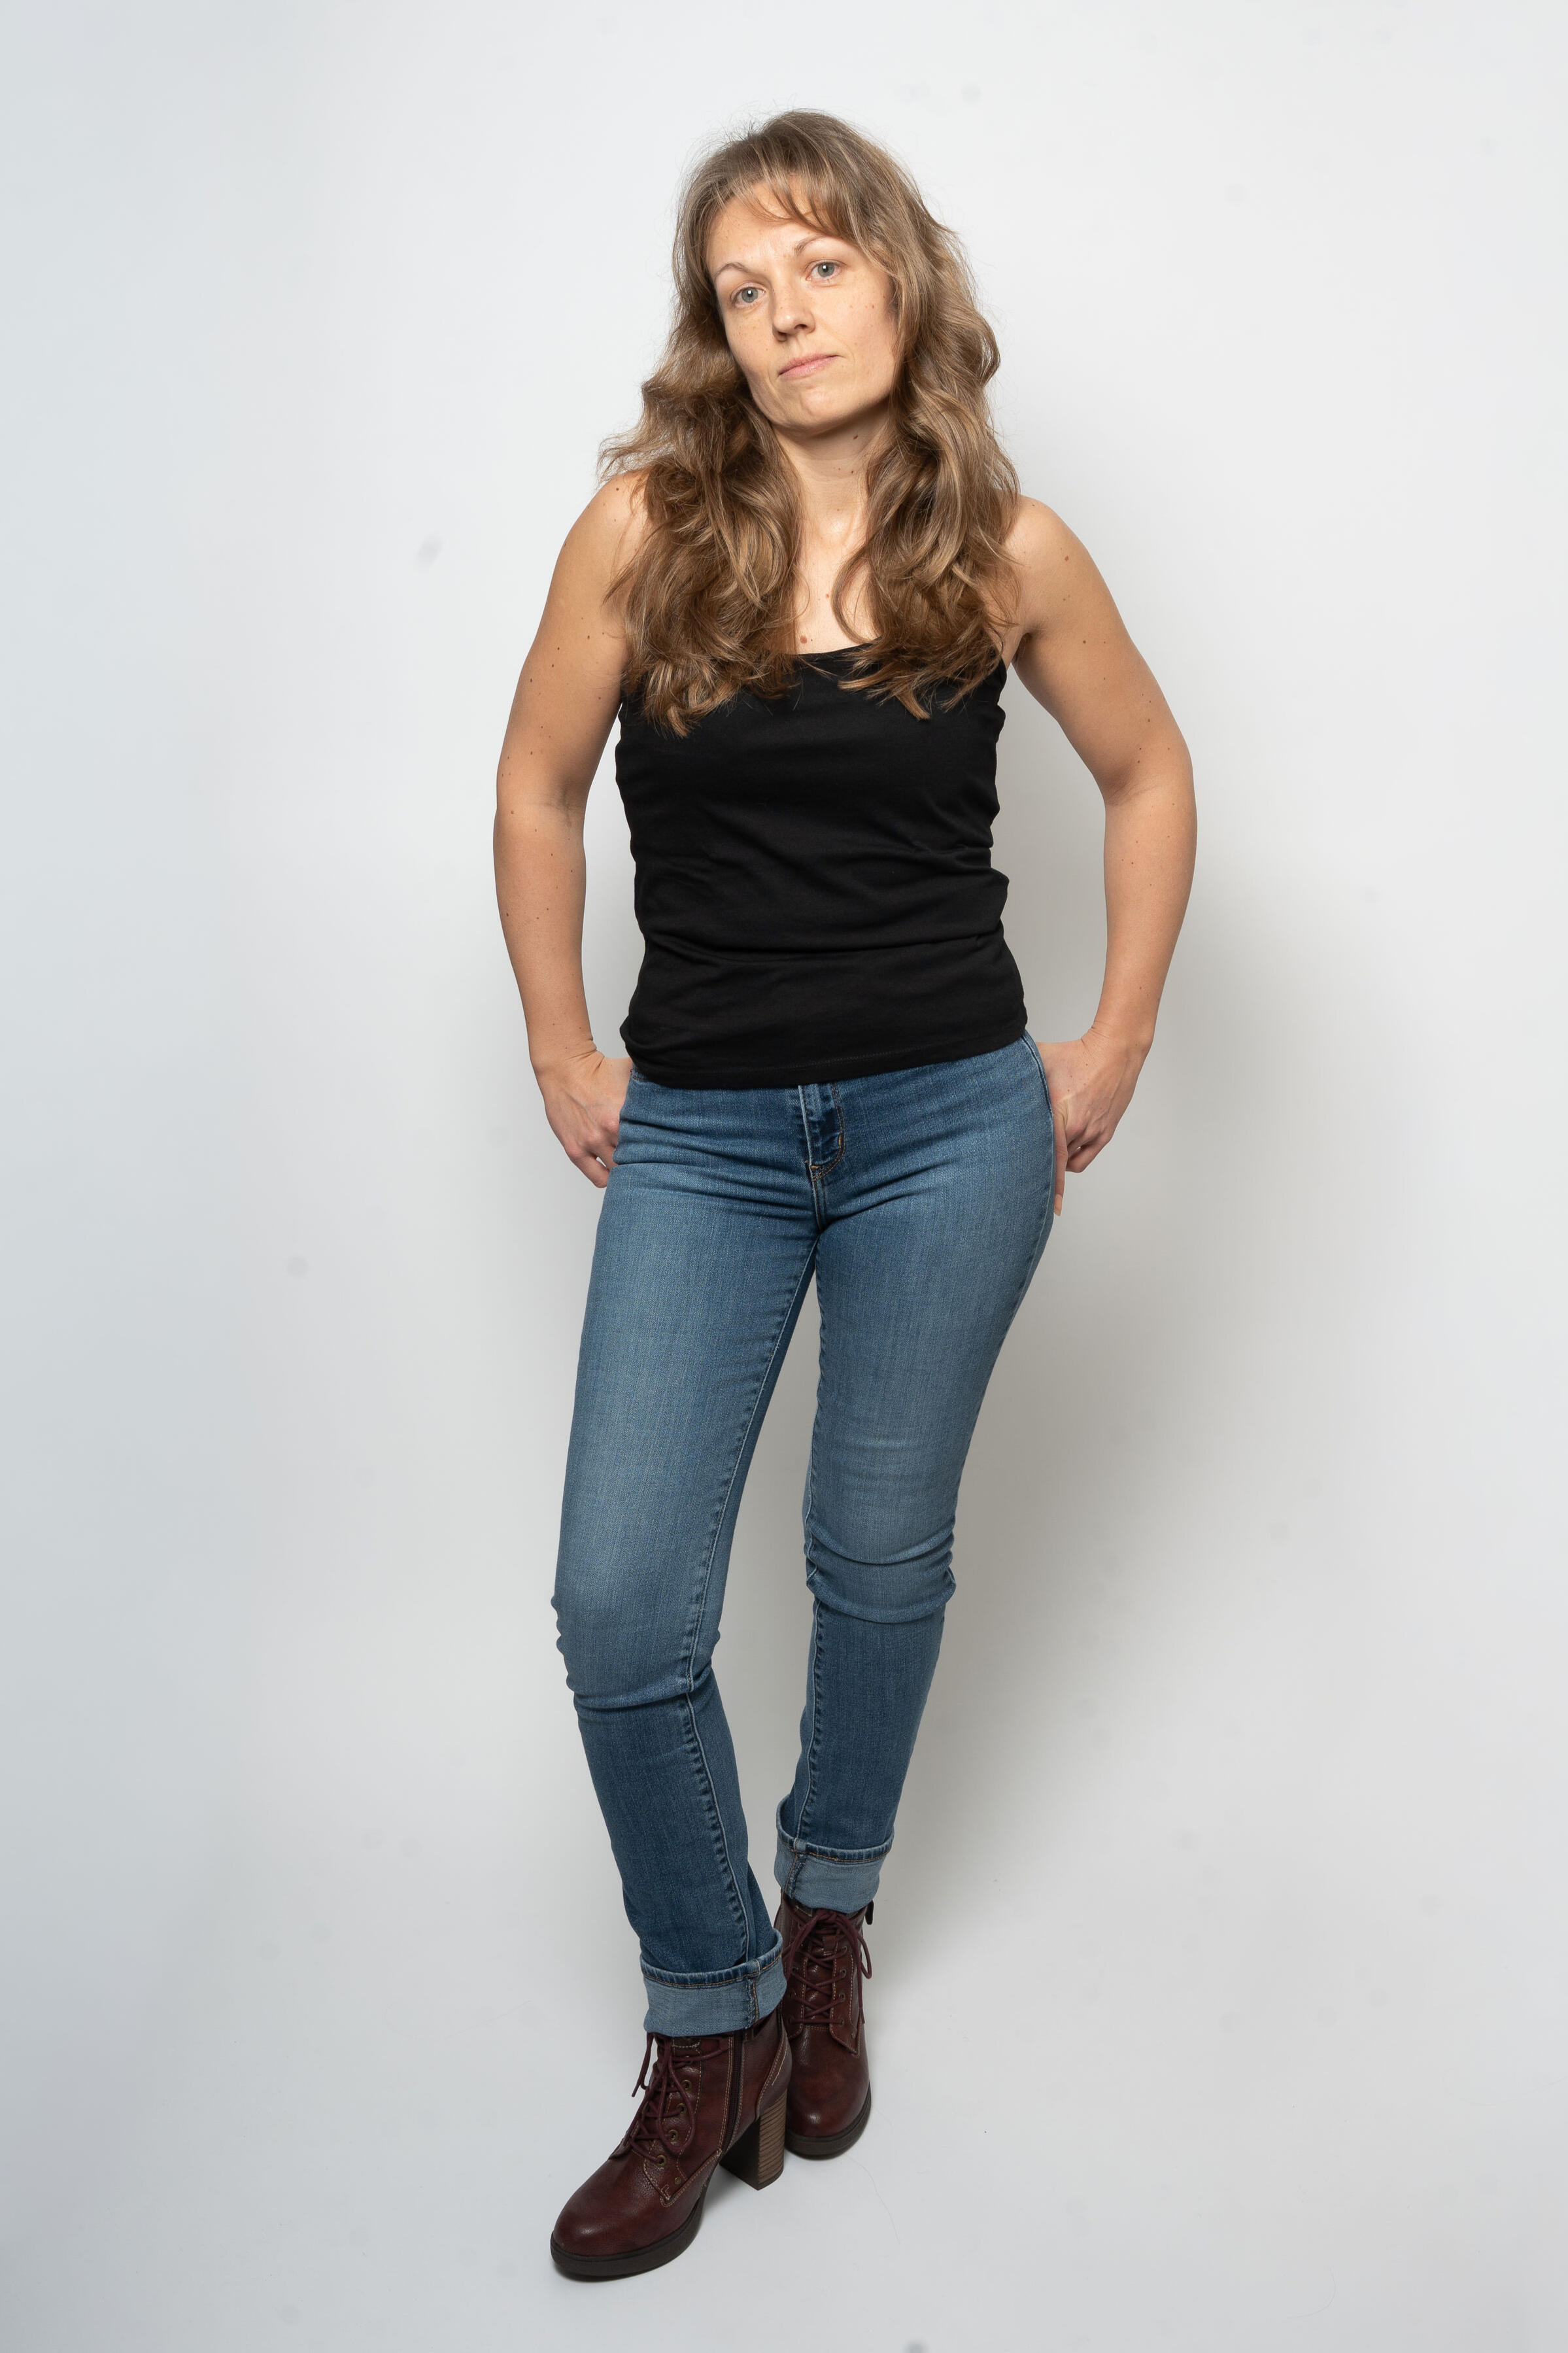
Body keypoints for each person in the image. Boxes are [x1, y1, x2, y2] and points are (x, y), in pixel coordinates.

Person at [494, 109, 1195, 2281]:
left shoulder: (1007, 548)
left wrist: (1113, 1038)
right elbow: (534, 787)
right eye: (743, 288)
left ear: (899, 276)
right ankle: (711, 2020)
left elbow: (1149, 772)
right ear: (714, 335)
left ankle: (829, 1919)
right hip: (703, 1132)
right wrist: (562, 1044)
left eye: (818, 265)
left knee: (878, 1558)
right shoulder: (642, 531)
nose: (786, 314)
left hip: (949, 1126)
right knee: (625, 1610)